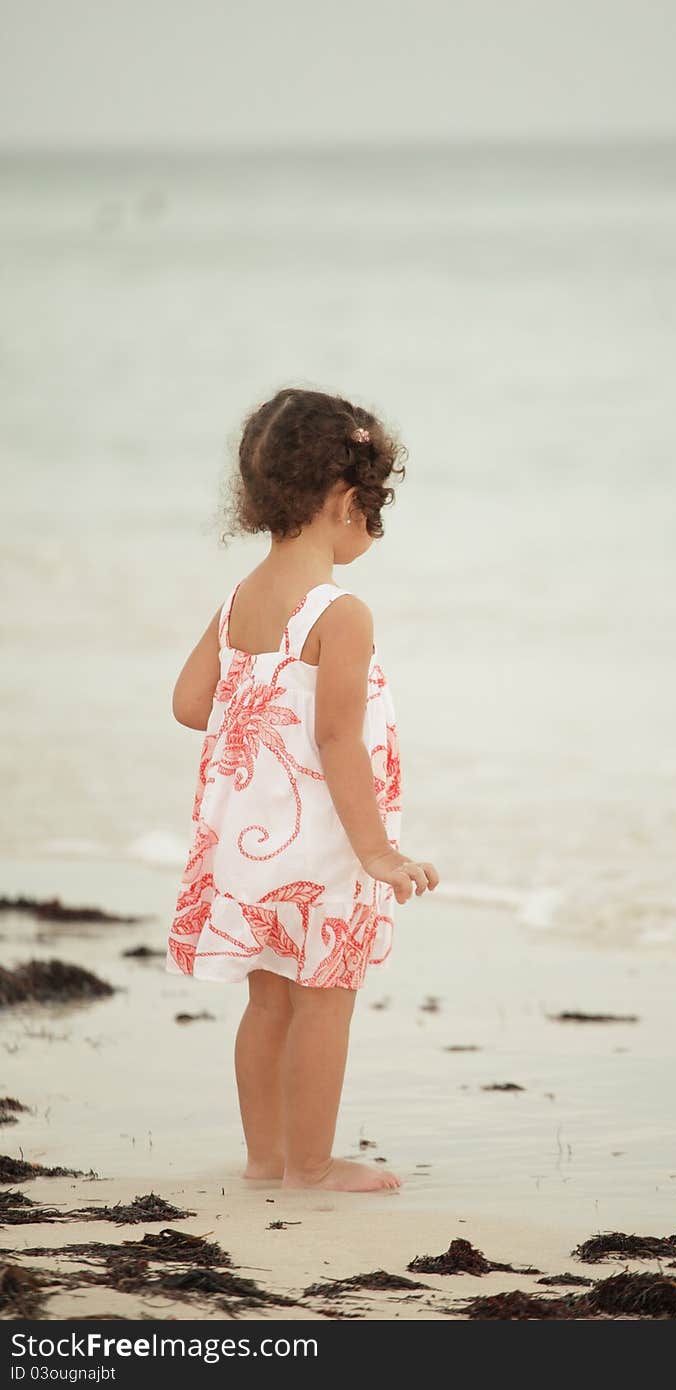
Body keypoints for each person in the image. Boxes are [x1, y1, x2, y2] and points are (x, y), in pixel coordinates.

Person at [165, 387, 439, 1192]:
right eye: (375, 508)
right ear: (346, 501)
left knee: (269, 1005)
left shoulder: (240, 601)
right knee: (327, 1002)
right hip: (326, 853)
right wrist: (379, 853)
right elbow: (336, 740)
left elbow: (188, 706)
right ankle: (312, 1168)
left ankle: (267, 1159)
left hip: (249, 850)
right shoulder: (339, 612)